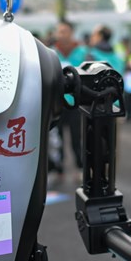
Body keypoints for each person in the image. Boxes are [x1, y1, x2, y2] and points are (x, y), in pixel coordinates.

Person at [52, 20, 88, 183]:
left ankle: (80, 168)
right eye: (59, 31)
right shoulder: (51, 53)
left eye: (64, 31)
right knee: (56, 139)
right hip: (57, 104)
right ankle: (58, 169)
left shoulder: (82, 52)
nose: (61, 34)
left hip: (75, 103)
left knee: (76, 139)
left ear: (71, 32)